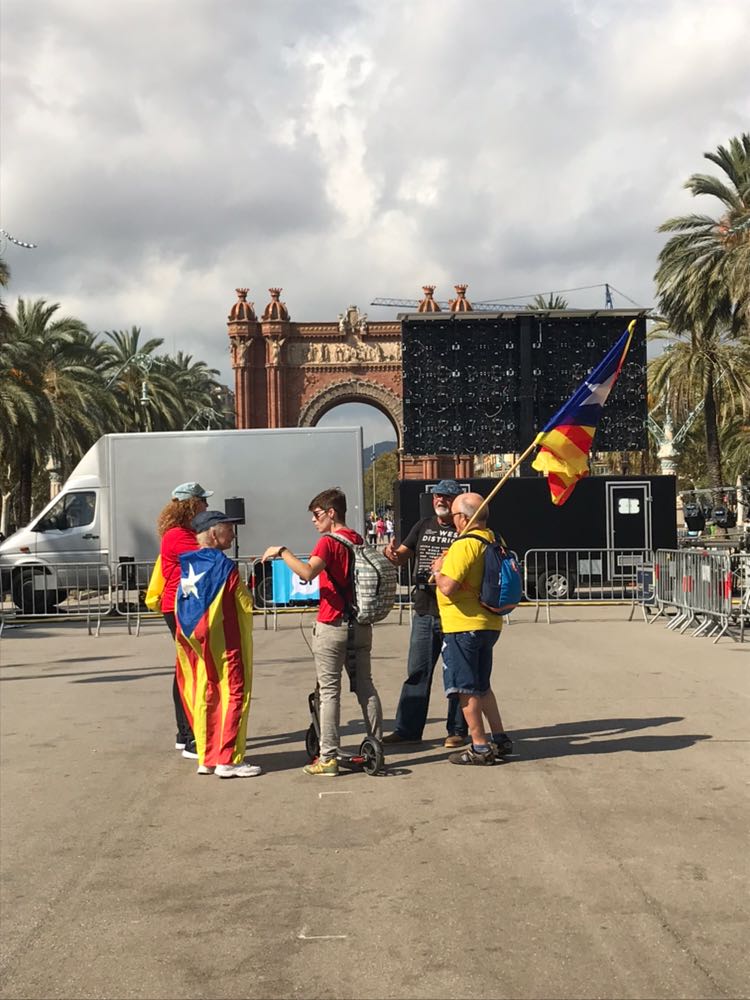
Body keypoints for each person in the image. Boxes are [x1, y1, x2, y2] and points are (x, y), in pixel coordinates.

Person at [261, 487, 383, 776]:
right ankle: (375, 743)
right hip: (360, 624)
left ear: (331, 513)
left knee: (329, 691)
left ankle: (327, 756)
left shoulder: (328, 543)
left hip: (332, 624)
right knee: (365, 685)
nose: (314, 522)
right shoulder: (357, 539)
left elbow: (307, 573)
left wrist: (282, 552)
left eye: (317, 515)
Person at [382, 480, 468, 748]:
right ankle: (407, 729)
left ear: (456, 502)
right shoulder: (423, 526)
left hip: (455, 611)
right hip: (424, 610)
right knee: (417, 672)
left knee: (455, 675)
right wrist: (391, 553)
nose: (439, 500)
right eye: (436, 496)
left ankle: (457, 730)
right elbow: (401, 557)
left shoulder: (464, 529)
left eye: (445, 497)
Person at [174, 510, 261, 778]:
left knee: (206, 694)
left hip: (196, 642)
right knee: (234, 693)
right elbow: (245, 602)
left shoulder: (189, 564)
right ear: (213, 533)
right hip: (226, 640)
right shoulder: (223, 565)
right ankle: (228, 760)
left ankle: (207, 757)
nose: (233, 534)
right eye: (228, 529)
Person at [431, 491, 512, 766]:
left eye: (454, 516)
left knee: (465, 688)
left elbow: (447, 587)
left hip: (462, 625)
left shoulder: (464, 545)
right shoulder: (494, 539)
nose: (452, 521)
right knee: (482, 684)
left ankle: (479, 745)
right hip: (489, 622)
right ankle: (500, 737)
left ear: (464, 518)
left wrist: (438, 569)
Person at [156, 481, 213, 758]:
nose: (207, 506)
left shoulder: (180, 533)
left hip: (185, 605)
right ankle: (190, 736)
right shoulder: (179, 535)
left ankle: (185, 732)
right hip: (181, 606)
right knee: (190, 670)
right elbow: (207, 555)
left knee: (185, 667)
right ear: (192, 504)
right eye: (203, 501)